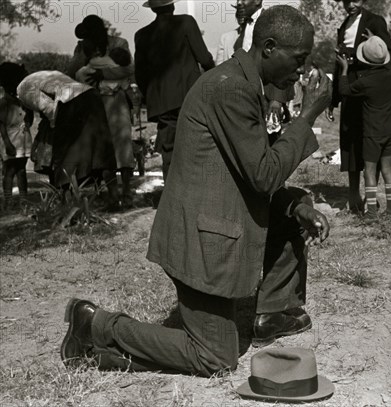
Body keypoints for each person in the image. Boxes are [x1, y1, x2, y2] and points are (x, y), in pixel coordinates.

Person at [60, 5, 332, 376]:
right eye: (298, 59)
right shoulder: (231, 88)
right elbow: (264, 175)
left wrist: (295, 204)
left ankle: (270, 313)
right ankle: (95, 325)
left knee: (294, 206)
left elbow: (247, 173)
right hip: (200, 243)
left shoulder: (242, 83)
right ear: (268, 47)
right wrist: (307, 116)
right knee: (216, 358)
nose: (301, 70)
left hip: (213, 223)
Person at [134, 0, 215, 184]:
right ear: (172, 6)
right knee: (197, 146)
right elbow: (204, 58)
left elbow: (140, 75)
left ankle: (172, 200)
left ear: (153, 8)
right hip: (190, 96)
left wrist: (154, 95)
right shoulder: (186, 22)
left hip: (162, 103)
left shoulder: (141, 35)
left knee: (169, 152)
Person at [14, 68, 120, 207]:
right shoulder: (39, 75)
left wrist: (53, 129)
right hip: (91, 95)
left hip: (71, 102)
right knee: (101, 148)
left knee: (63, 153)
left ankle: (67, 203)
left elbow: (48, 108)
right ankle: (114, 197)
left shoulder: (23, 89)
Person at [328, 0, 391, 213]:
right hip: (350, 89)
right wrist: (334, 98)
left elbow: (386, 56)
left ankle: (370, 199)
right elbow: (338, 64)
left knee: (369, 146)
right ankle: (353, 193)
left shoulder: (374, 22)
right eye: (347, 1)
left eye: (356, 0)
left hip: (366, 91)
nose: (351, 5)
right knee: (351, 142)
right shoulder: (345, 24)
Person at [68, 14, 136, 208]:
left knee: (123, 147)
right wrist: (84, 54)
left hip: (116, 100)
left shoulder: (119, 43)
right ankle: (113, 195)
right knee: (103, 149)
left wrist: (102, 73)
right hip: (95, 103)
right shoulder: (83, 48)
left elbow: (127, 69)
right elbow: (73, 72)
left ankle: (127, 192)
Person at [336, 35, 391, 220]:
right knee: (387, 170)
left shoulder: (364, 82)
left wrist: (345, 70)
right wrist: (379, 41)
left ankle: (371, 214)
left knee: (369, 172)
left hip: (372, 132)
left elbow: (344, 90)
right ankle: (390, 212)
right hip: (390, 130)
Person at [233, 0, 296, 124]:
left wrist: (277, 98)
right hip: (246, 96)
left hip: (269, 97)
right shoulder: (245, 25)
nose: (239, 3)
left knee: (271, 139)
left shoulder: (274, 23)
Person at [0, 63, 33, 210]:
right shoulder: (4, 103)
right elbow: (1, 125)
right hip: (11, 141)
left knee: (21, 170)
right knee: (10, 170)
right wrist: (7, 143)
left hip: (22, 139)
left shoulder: (21, 102)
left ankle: (23, 199)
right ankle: (8, 200)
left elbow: (29, 118)